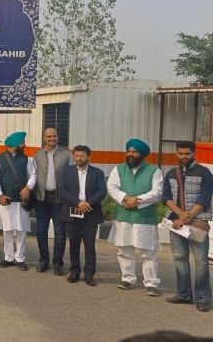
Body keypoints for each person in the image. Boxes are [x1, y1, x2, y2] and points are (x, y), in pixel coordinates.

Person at [107, 138, 163, 296]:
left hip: (145, 217)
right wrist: (125, 198)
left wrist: (137, 200)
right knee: (124, 249)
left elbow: (157, 192)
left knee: (148, 252)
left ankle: (151, 283)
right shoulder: (118, 169)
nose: (131, 154)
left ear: (142, 154)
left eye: (135, 152)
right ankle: (128, 278)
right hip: (124, 215)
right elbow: (111, 187)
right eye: (129, 151)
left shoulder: (154, 171)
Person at [162, 141, 212, 311]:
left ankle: (203, 299)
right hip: (176, 224)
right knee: (180, 259)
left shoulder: (205, 173)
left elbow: (204, 199)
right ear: (176, 153)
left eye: (187, 153)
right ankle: (184, 294)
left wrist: (186, 217)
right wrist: (180, 214)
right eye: (180, 153)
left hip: (197, 223)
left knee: (201, 262)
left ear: (193, 153)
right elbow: (166, 197)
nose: (184, 156)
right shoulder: (170, 173)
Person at [58, 145, 106, 286]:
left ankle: (89, 273)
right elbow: (62, 190)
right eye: (76, 156)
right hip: (73, 212)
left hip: (91, 212)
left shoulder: (97, 173)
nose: (79, 158)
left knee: (90, 245)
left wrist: (87, 203)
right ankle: (75, 271)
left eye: (82, 156)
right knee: (74, 244)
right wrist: (78, 203)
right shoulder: (66, 172)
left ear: (88, 157)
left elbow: (102, 191)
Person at [0, 131, 36, 271]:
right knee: (8, 230)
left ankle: (20, 258)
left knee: (21, 230)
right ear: (15, 145)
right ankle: (9, 257)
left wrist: (28, 187)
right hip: (6, 199)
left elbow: (33, 175)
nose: (24, 145)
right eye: (22, 143)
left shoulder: (28, 159)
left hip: (22, 200)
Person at [33, 127, 71, 275]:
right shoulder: (37, 155)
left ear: (58, 137)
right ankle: (43, 260)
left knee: (60, 233)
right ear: (44, 138)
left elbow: (72, 175)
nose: (52, 139)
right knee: (41, 231)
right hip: (41, 198)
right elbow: (33, 175)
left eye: (54, 136)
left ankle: (57, 263)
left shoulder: (66, 154)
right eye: (49, 136)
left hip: (59, 199)